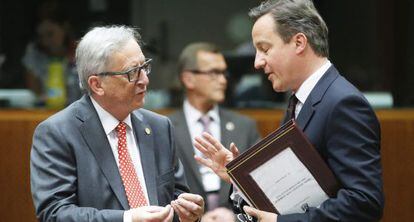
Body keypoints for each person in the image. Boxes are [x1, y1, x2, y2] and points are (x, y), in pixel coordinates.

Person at [193, 0, 384, 221]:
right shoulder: (299, 101)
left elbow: (365, 202)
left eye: (264, 49)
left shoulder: (344, 103)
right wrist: (242, 177)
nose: (257, 62)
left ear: (299, 42)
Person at [30, 25, 204, 222]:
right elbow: (54, 214)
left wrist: (188, 215)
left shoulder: (159, 127)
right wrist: (127, 219)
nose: (144, 80)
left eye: (144, 67)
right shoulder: (58, 133)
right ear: (97, 84)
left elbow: (176, 200)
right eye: (132, 72)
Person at [168, 43, 260, 214]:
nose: (223, 80)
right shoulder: (165, 128)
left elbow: (261, 183)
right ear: (188, 79)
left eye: (223, 72)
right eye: (214, 73)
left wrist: (234, 216)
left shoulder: (245, 126)